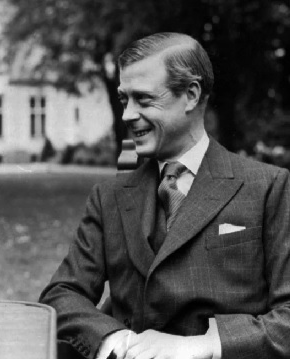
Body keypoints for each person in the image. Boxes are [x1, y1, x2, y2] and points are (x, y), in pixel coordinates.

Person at [40, 32, 290, 359]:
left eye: (143, 100)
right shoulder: (109, 196)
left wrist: (199, 347)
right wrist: (112, 339)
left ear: (191, 95)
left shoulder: (268, 187)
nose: (127, 115)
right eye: (123, 99)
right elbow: (61, 293)